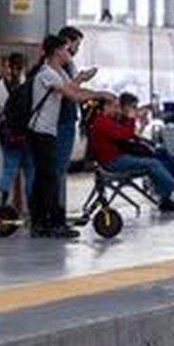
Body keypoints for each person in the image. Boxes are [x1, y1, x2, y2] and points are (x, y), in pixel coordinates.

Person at [28, 35, 116, 239]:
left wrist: (88, 85)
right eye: (66, 49)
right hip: (39, 131)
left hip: (47, 131)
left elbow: (75, 89)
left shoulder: (58, 73)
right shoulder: (46, 73)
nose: (69, 53)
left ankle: (40, 222)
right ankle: (55, 223)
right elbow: (73, 95)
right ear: (57, 52)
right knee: (49, 177)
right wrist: (100, 94)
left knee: (44, 177)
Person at [87, 94, 174, 213]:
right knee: (153, 164)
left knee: (156, 161)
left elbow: (127, 135)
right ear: (106, 107)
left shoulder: (104, 120)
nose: (117, 109)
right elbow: (125, 135)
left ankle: (167, 197)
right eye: (115, 106)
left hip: (114, 158)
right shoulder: (103, 122)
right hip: (113, 162)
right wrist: (131, 119)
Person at [55, 26, 96, 212]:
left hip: (65, 119)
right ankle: (53, 212)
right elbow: (68, 91)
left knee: (59, 168)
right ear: (67, 43)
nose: (77, 50)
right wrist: (82, 79)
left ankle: (55, 209)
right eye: (76, 45)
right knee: (58, 167)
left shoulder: (65, 65)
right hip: (61, 120)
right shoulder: (59, 66)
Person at [0, 51, 34, 213]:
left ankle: (1, 201)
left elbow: (2, 107)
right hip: (26, 132)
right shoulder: (28, 84)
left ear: (9, 66)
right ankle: (31, 207)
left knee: (9, 168)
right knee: (30, 170)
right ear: (23, 67)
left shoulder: (0, 85)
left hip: (8, 132)